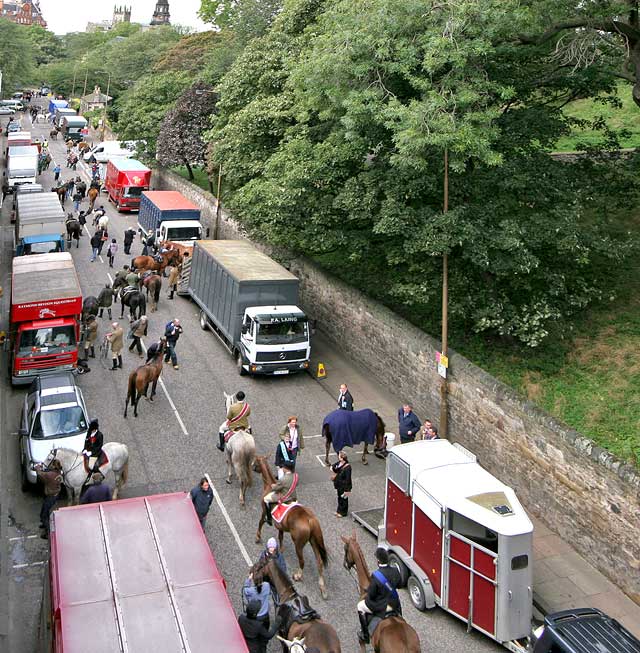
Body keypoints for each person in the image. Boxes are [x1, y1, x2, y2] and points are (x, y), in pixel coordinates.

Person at [357, 547, 402, 644]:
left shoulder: (376, 575)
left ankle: (365, 635)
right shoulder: (395, 571)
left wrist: (368, 592)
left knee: (360, 606)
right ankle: (400, 615)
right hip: (394, 604)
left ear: (378, 561)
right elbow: (400, 585)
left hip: (382, 607)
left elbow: (372, 595)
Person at [263, 460, 298, 525]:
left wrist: (272, 485)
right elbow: (296, 484)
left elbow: (275, 488)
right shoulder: (296, 476)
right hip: (293, 496)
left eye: (283, 467)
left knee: (265, 499)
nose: (282, 469)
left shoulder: (283, 479)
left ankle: (269, 518)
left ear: (286, 468)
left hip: (285, 497)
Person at [35, 460, 63, 539]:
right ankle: (45, 525)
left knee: (43, 515)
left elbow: (40, 474)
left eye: (51, 464)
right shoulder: (59, 473)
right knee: (47, 511)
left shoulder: (50, 475)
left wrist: (38, 468)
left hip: (50, 496)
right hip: (55, 494)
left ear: (53, 466)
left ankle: (48, 532)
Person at [331, 450, 352, 518]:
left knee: (344, 499)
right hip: (339, 485)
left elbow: (348, 479)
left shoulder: (348, 467)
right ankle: (339, 510)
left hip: (344, 486)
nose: (338, 457)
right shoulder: (339, 463)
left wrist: (347, 490)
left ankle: (343, 512)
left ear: (342, 458)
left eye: (339, 456)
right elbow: (334, 467)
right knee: (339, 498)